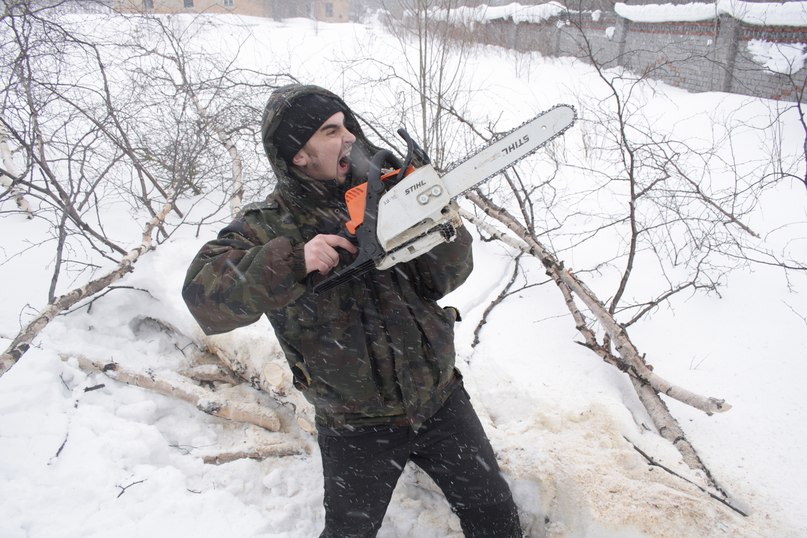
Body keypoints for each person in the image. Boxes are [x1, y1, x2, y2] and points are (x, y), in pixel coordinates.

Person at [182, 84, 522, 538]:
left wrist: (437, 220)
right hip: (355, 424)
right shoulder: (266, 225)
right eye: (330, 130)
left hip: (439, 400)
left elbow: (444, 280)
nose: (348, 138)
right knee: (349, 532)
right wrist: (295, 260)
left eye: (346, 126)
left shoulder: (382, 194)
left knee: (495, 513)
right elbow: (204, 298)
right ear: (298, 154)